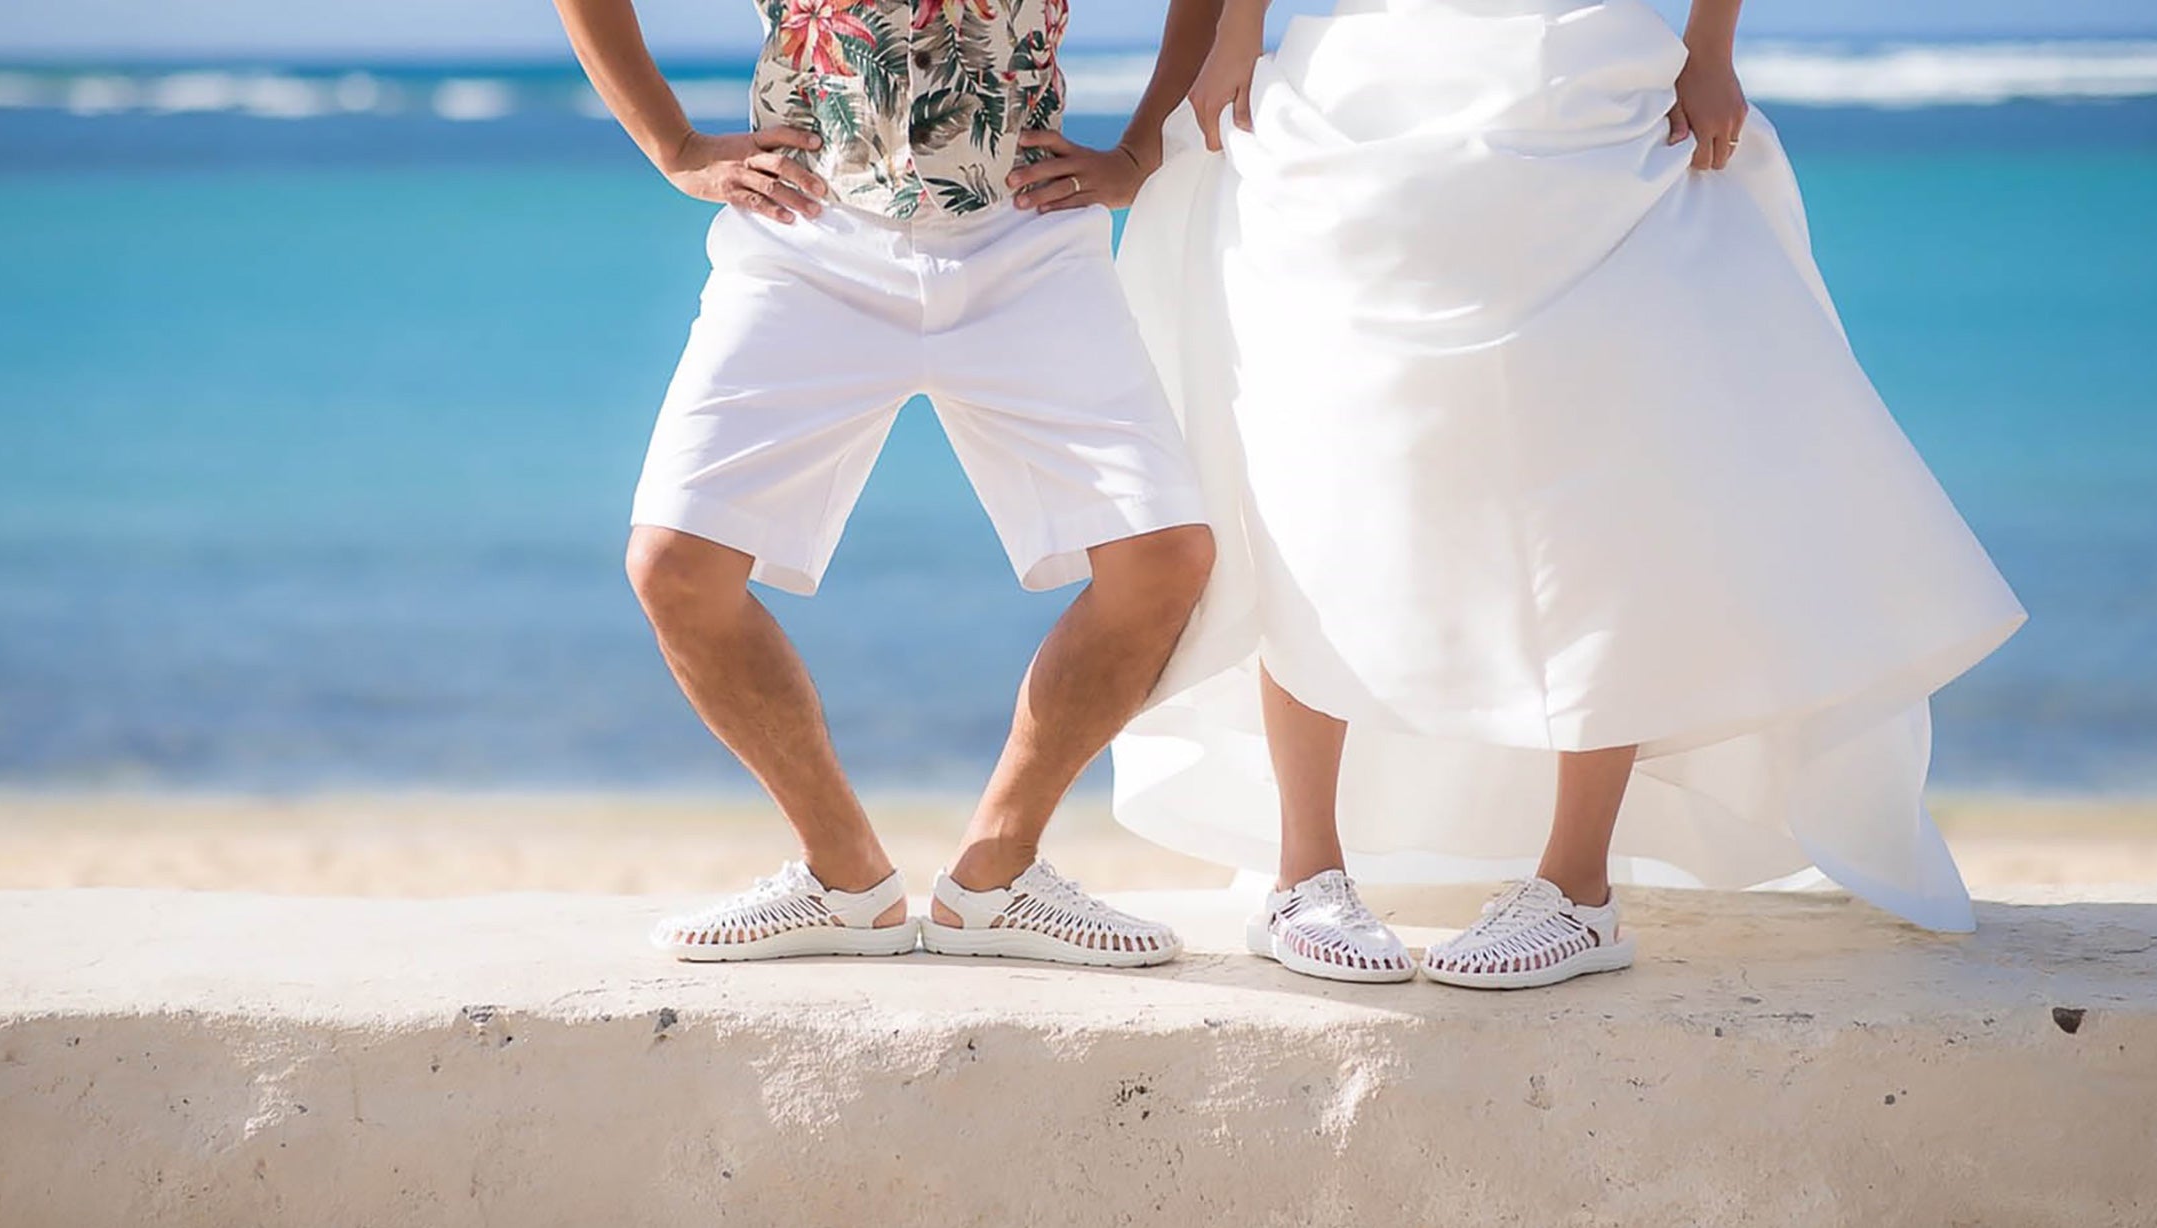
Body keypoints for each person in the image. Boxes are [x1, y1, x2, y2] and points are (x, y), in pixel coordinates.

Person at [1110, 0, 2026, 986]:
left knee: (1608, 470)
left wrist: (1710, 49)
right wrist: (1236, 34)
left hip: (1590, 84)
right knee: (1317, 460)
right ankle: (1304, 871)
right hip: (1355, 94)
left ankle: (1577, 886)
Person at [550, 0, 1226, 965]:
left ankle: (997, 877)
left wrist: (1140, 150)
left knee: (1163, 559)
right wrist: (676, 146)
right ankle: (844, 881)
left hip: (1026, 229)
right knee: (674, 567)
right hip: (806, 228)